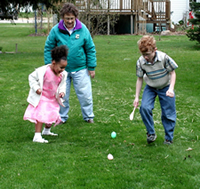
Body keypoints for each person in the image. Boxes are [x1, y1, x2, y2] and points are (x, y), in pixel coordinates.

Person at [44, 3, 97, 124]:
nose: (69, 21)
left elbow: (90, 48)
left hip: (81, 68)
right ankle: (61, 117)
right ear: (62, 17)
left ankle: (88, 116)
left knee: (85, 95)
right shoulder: (56, 30)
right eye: (67, 18)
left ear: (75, 17)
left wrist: (92, 67)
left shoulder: (82, 29)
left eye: (72, 18)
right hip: (61, 71)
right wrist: (49, 66)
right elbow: (48, 48)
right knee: (62, 95)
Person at [133, 35, 178, 145]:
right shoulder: (140, 62)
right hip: (151, 87)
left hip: (165, 86)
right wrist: (136, 97)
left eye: (147, 54)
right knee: (144, 108)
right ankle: (151, 133)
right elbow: (139, 79)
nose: (145, 57)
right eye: (143, 55)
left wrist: (171, 89)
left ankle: (168, 138)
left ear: (154, 50)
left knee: (168, 113)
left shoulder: (164, 58)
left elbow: (172, 73)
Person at [23, 45, 68, 143]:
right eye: (61, 67)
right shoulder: (43, 71)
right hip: (42, 97)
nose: (62, 70)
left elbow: (63, 84)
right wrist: (36, 88)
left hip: (52, 98)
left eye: (64, 68)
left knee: (52, 115)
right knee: (40, 115)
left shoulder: (63, 74)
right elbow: (31, 78)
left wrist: (62, 92)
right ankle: (37, 136)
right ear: (53, 62)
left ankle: (46, 131)